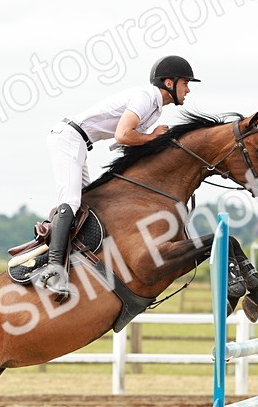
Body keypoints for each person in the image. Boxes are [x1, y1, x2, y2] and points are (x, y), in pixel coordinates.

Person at [38, 55, 199, 296]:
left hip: (79, 142)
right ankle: (52, 270)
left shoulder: (153, 110)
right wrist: (153, 137)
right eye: (185, 83)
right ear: (169, 82)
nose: (188, 90)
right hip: (68, 138)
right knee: (71, 201)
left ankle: (72, 263)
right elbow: (124, 136)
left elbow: (126, 146)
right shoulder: (145, 98)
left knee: (86, 203)